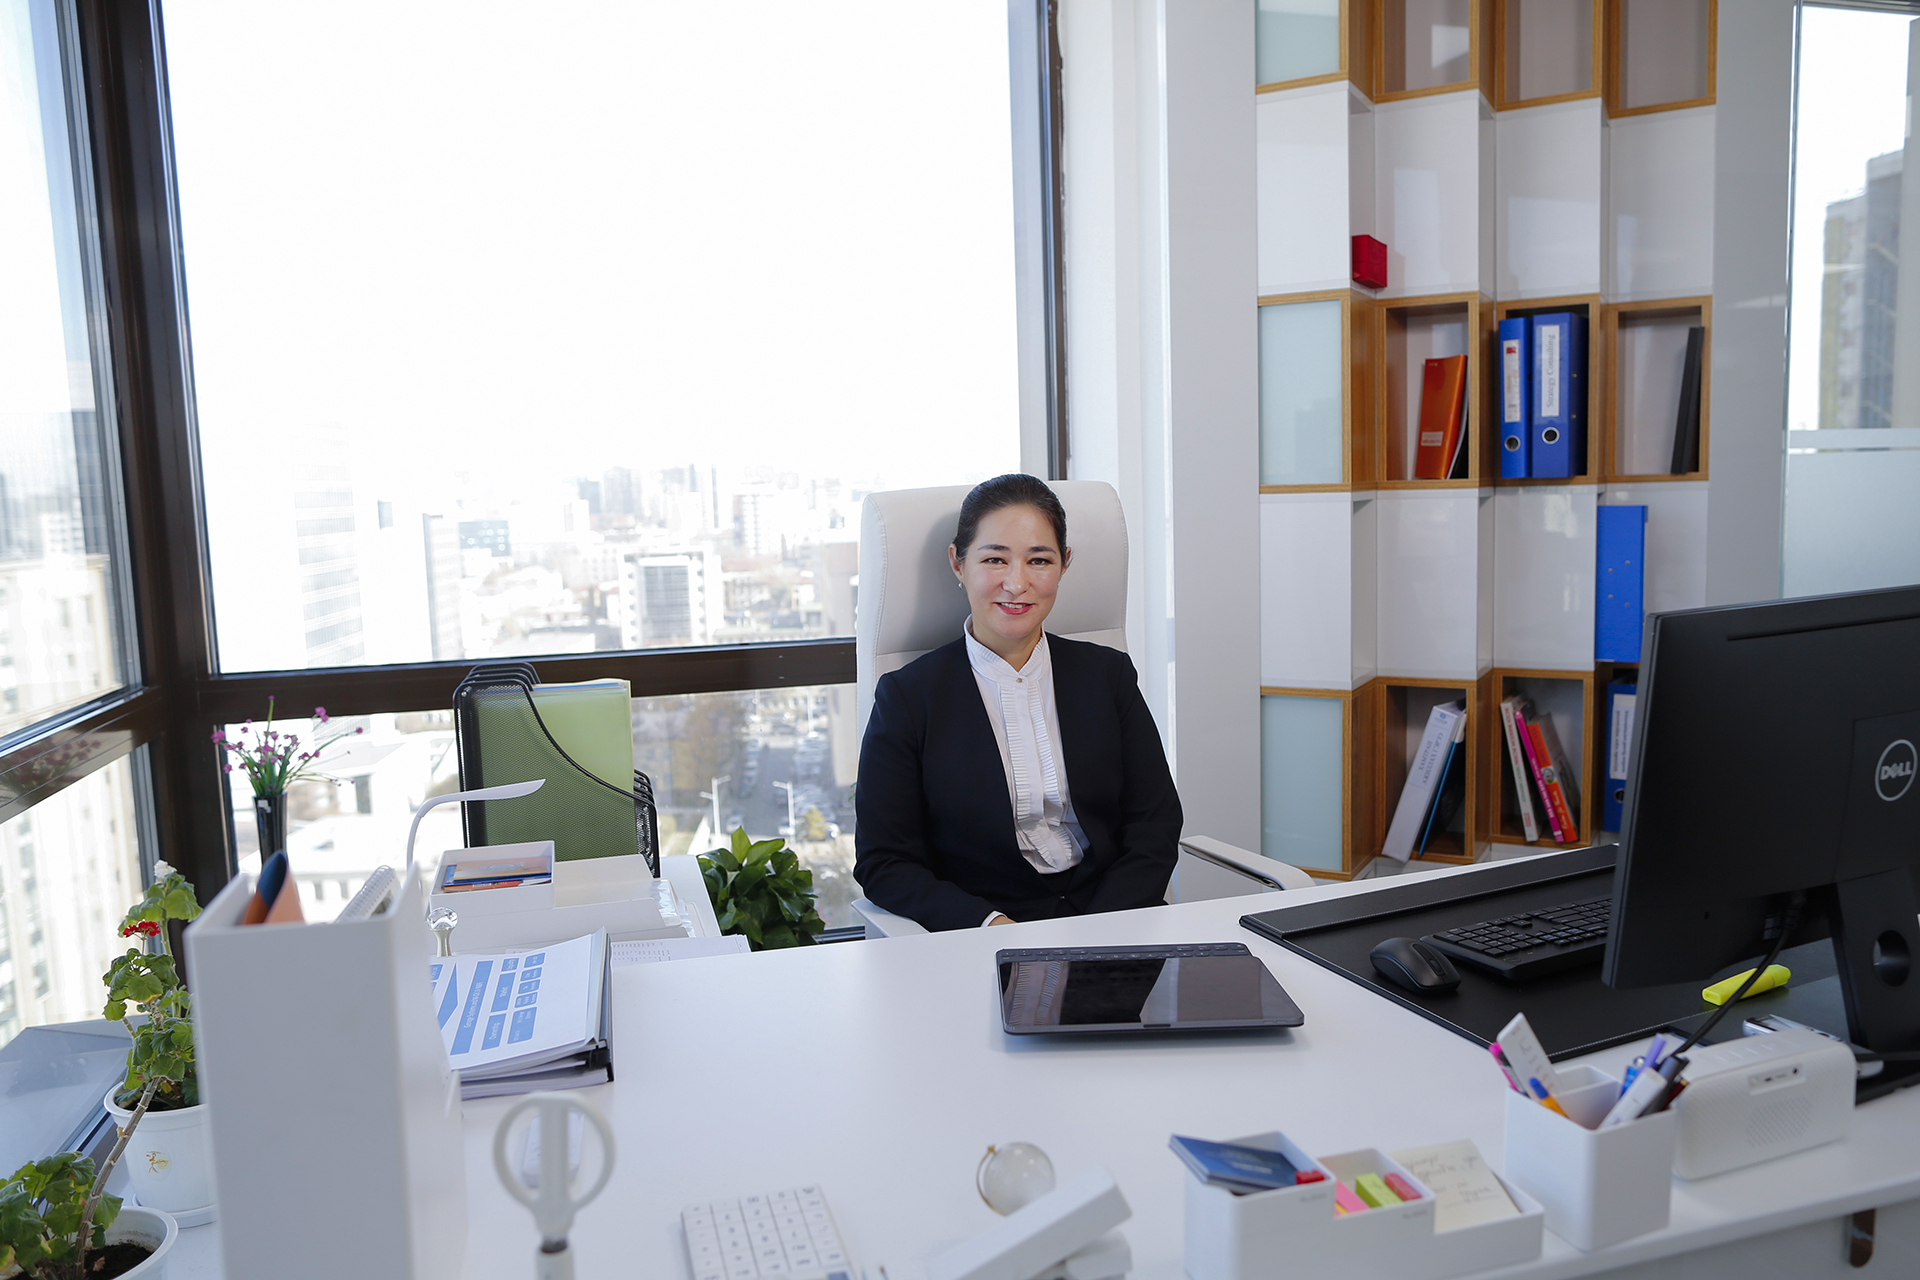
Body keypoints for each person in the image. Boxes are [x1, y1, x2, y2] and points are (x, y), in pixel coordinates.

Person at [854, 474, 1183, 931]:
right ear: (958, 563)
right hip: (989, 933)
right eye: (994, 559)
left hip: (1116, 920)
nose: (1017, 583)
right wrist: (990, 925)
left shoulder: (1108, 675)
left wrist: (1101, 929)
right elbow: (884, 862)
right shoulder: (908, 698)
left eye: (1039, 560)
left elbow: (1156, 823)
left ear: (1064, 565)